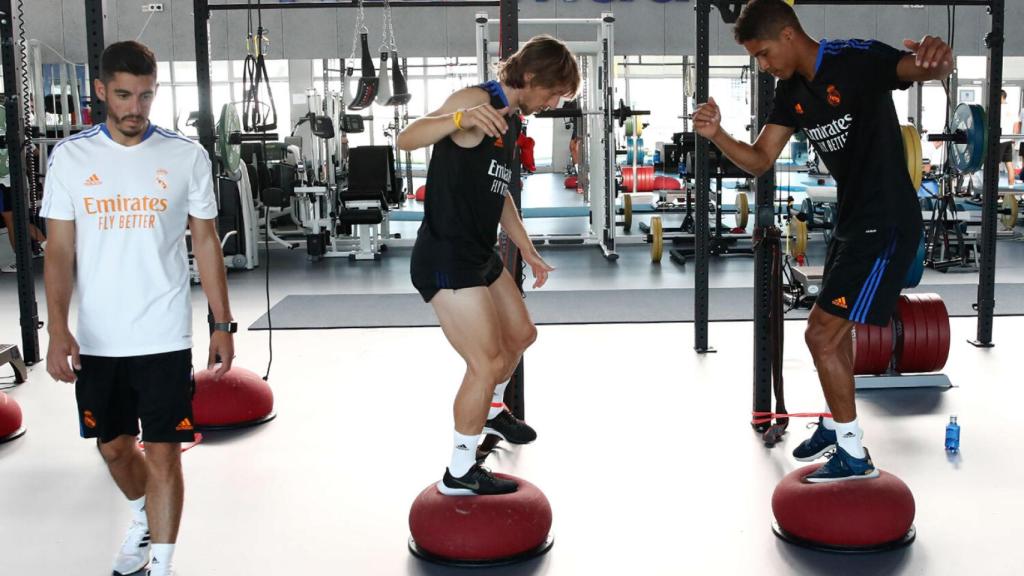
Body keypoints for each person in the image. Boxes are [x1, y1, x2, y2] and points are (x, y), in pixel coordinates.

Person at [693, 0, 953, 482]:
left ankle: (854, 453)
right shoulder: (789, 93)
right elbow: (758, 160)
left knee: (820, 334)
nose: (763, 65)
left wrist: (940, 57)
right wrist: (716, 134)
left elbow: (922, 66)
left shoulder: (855, 59)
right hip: (853, 223)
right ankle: (837, 427)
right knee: (834, 334)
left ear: (789, 34)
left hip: (887, 222)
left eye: (765, 54)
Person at [42, 41, 235, 576]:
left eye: (146, 97)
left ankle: (164, 565)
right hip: (100, 337)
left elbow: (205, 241)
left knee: (164, 452)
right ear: (101, 91)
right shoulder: (71, 158)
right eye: (124, 95)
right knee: (114, 450)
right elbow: (58, 250)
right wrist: (58, 329)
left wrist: (222, 322)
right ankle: (140, 517)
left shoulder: (185, 156)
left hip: (164, 333)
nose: (135, 108)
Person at [397, 35, 578, 496]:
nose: (554, 102)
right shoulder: (476, 100)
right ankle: (459, 471)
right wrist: (455, 118)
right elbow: (406, 138)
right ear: (532, 77)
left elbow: (500, 196)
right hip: (445, 257)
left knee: (521, 336)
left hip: (480, 254)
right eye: (554, 92)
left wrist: (529, 250)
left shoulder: (512, 121)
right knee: (486, 362)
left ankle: (494, 409)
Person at [999, 89, 1017, 187]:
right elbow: (1016, 124)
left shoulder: (998, 108)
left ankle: (994, 191)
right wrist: (1013, 137)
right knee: (1009, 164)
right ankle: (1011, 189)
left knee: (995, 165)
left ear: (1001, 97)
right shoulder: (1012, 108)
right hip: (1009, 139)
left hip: (999, 140)